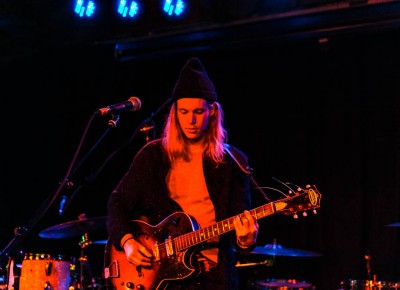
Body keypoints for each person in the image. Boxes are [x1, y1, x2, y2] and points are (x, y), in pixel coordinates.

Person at [106, 57, 259, 290]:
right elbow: (117, 201)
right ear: (175, 113)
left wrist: (246, 239)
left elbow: (241, 221)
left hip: (215, 276)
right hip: (162, 275)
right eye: (184, 112)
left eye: (198, 111)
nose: (191, 120)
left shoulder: (233, 161)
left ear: (213, 112)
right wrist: (127, 242)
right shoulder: (154, 155)